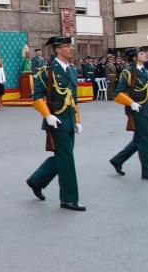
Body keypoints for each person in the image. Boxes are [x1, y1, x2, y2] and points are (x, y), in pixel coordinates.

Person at [26, 36, 86, 212]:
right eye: (67, 46)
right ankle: (69, 199)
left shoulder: (73, 70)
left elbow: (73, 99)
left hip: (69, 119)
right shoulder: (47, 71)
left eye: (71, 45)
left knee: (63, 156)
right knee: (67, 159)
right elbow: (37, 97)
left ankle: (36, 180)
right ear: (58, 49)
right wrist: (48, 116)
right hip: (56, 120)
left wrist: (78, 120)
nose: (71, 48)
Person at [111, 48, 148, 181]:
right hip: (136, 109)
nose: (145, 55)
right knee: (144, 141)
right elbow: (118, 93)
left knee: (138, 140)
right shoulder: (128, 72)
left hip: (146, 107)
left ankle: (118, 160)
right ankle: (147, 171)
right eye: (141, 53)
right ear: (134, 57)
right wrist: (131, 103)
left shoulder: (145, 70)